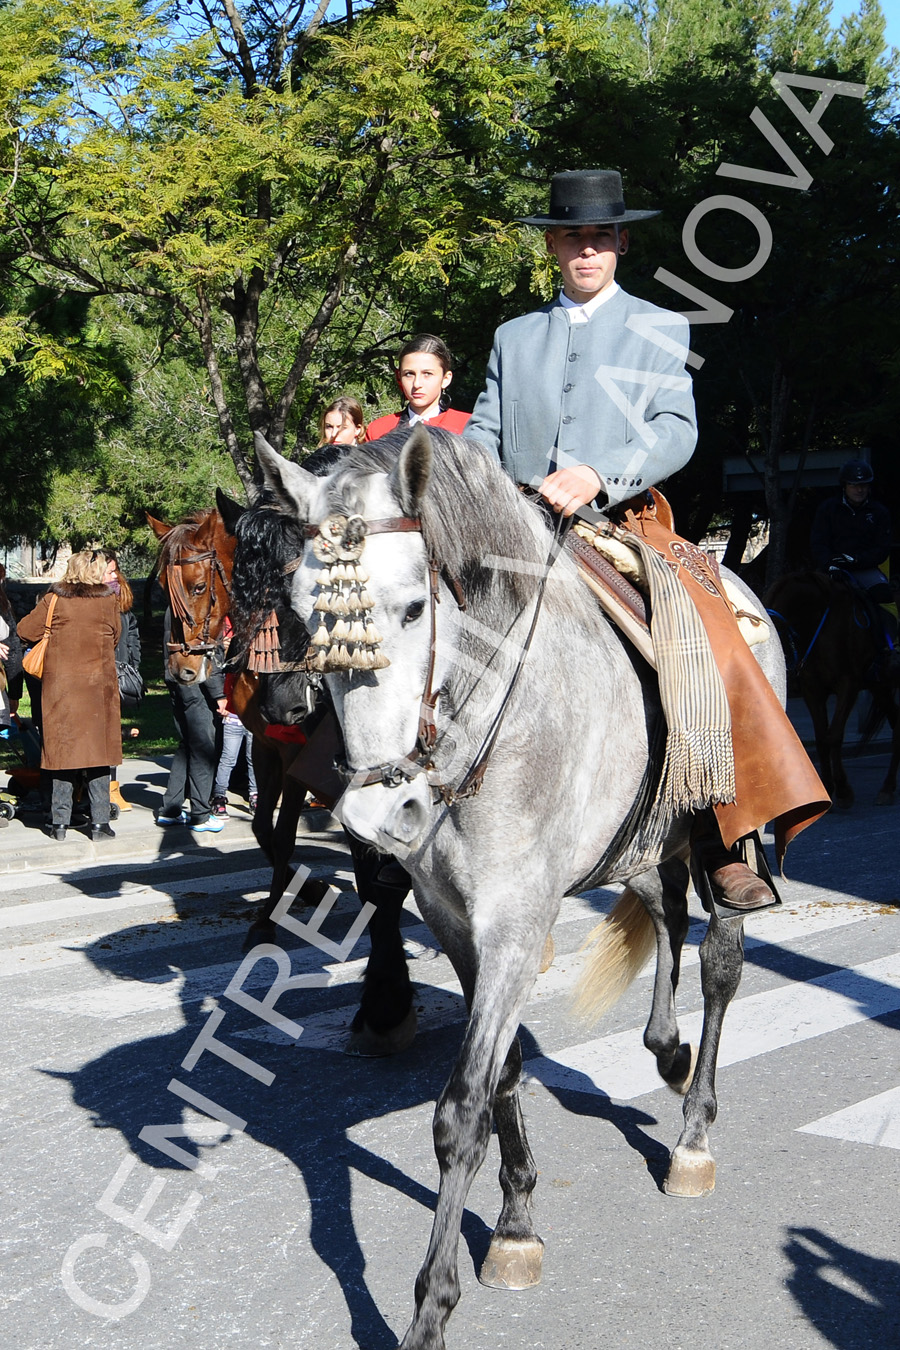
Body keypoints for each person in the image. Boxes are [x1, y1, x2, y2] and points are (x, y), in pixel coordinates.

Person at [465, 168, 828, 911]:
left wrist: (598, 473)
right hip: (516, 526)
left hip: (619, 526)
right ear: (553, 246)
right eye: (573, 236)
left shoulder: (661, 326)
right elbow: (482, 434)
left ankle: (722, 831)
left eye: (601, 235)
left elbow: (676, 431)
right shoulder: (513, 337)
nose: (587, 249)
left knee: (712, 633)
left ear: (622, 242)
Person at [17, 550, 121, 842]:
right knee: (98, 756)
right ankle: (100, 824)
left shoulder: (54, 599)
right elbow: (116, 637)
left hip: (60, 692)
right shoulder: (108, 602)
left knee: (62, 756)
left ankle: (59, 823)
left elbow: (24, 630)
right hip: (98, 691)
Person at [156, 607, 227, 832]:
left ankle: (171, 809)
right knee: (202, 748)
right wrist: (219, 694)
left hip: (176, 677)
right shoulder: (198, 606)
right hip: (196, 681)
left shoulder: (174, 605)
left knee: (186, 745)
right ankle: (201, 815)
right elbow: (205, 653)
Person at [810, 459, 893, 602]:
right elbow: (818, 542)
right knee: (808, 597)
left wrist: (858, 560)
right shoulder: (828, 509)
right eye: (853, 485)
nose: (859, 490)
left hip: (865, 570)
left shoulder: (879, 512)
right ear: (844, 486)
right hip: (831, 569)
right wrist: (829, 565)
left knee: (886, 597)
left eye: (863, 485)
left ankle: (889, 625)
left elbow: (882, 548)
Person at [365, 334, 470, 440]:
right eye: (409, 374)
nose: (417, 384)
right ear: (399, 377)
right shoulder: (378, 430)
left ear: (446, 379)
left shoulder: (469, 427)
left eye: (427, 374)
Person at [101, 549, 142, 810]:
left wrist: (134, 665)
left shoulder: (121, 602)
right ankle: (99, 789)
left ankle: (112, 787)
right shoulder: (89, 603)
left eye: (116, 570)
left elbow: (132, 634)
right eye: (109, 571)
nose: (115, 575)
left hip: (119, 674)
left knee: (112, 733)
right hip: (96, 677)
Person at [211, 617, 258, 817]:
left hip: (249, 716)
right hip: (235, 715)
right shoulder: (234, 669)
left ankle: (254, 794)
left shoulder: (248, 668)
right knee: (231, 758)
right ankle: (220, 794)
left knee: (250, 758)